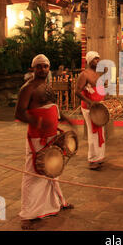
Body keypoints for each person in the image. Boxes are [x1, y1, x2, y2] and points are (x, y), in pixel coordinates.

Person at [15, 54, 74, 230]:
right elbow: (19, 113)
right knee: (32, 174)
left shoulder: (47, 86)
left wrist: (65, 119)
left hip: (51, 135)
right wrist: (38, 122)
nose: (43, 69)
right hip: (37, 138)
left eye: (46, 66)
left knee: (53, 170)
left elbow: (53, 108)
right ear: (32, 68)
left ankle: (57, 202)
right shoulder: (28, 88)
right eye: (39, 66)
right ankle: (27, 214)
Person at [75, 51, 106, 170]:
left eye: (99, 59)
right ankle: (92, 159)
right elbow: (77, 91)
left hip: (99, 107)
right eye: (95, 59)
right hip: (89, 108)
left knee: (100, 132)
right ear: (89, 61)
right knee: (93, 133)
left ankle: (99, 157)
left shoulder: (97, 74)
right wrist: (90, 102)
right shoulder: (84, 74)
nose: (98, 61)